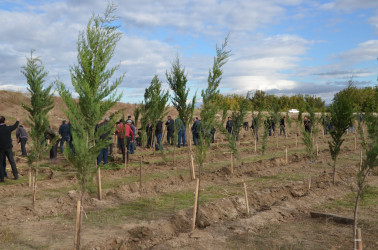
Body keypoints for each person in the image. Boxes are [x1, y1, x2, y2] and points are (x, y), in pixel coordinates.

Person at [0, 116, 19, 182]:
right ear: (4, 121)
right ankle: (16, 175)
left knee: (1, 163)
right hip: (8, 148)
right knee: (12, 161)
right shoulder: (8, 128)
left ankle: (2, 178)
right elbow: (14, 126)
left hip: (0, 149)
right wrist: (17, 121)